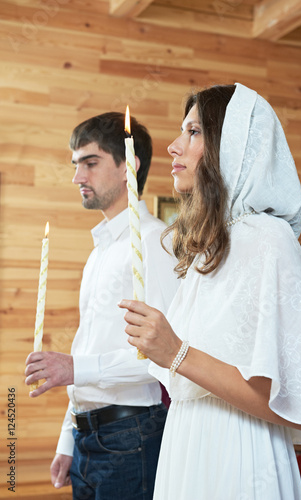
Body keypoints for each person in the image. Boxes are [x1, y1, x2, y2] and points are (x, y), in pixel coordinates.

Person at [119, 83, 301, 500]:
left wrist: (176, 352)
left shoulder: (269, 240)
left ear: (232, 146)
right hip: (187, 445)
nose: (173, 146)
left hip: (239, 455)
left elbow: (297, 406)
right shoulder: (209, 248)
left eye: (194, 132)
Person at [25, 112, 179, 500]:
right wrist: (67, 439)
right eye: (76, 164)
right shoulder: (99, 253)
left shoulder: (154, 243)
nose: (78, 177)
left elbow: (166, 356)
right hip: (86, 437)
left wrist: (75, 369)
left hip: (132, 437)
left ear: (129, 166)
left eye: (90, 163)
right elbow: (87, 346)